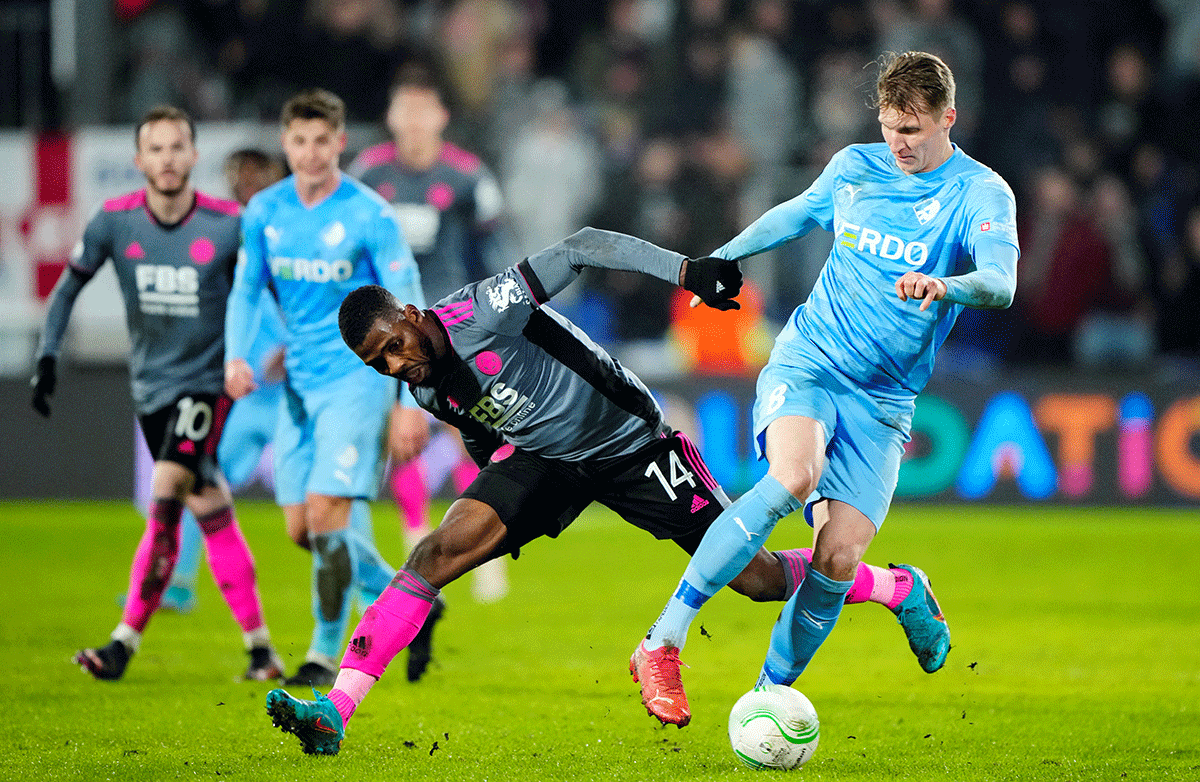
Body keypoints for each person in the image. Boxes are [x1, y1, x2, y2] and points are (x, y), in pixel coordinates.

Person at [260, 227, 953, 755]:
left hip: (633, 446)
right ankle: (336, 711)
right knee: (434, 554)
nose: (395, 363)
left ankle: (896, 587)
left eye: (394, 343)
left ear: (411, 315)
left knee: (762, 580)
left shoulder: (481, 311)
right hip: (545, 460)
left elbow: (585, 245)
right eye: (378, 361)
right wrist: (500, 495)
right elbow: (480, 433)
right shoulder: (426, 387)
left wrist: (688, 273)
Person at [631, 50, 1018, 728]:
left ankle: (767, 695)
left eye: (915, 130)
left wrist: (946, 285)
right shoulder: (855, 167)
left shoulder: (981, 194)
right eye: (891, 126)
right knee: (790, 477)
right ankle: (662, 641)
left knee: (836, 559)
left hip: (886, 400)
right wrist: (719, 260)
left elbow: (1002, 282)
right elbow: (797, 214)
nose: (899, 143)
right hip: (810, 361)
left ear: (948, 119)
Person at [30, 105, 285, 682]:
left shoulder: (226, 223)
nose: (168, 159)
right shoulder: (114, 221)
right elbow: (67, 288)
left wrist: (259, 354)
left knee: (167, 488)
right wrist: (47, 354)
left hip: (205, 386)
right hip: (151, 388)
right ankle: (261, 649)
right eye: (157, 149)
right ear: (140, 159)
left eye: (178, 148)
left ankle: (123, 643)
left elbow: (271, 287)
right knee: (209, 504)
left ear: (193, 157)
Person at [225, 88, 428, 688]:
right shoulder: (264, 212)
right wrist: (237, 355)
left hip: (356, 381)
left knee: (326, 516)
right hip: (298, 385)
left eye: (322, 141)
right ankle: (413, 598)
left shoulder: (370, 214)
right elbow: (245, 291)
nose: (311, 154)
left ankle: (321, 651)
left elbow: (404, 307)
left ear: (340, 143)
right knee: (302, 530)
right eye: (299, 142)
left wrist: (406, 400)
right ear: (285, 145)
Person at [348, 64, 509, 684]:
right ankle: (423, 541)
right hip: (386, 338)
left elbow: (492, 251)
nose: (413, 121)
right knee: (404, 436)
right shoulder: (370, 176)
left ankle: (484, 544)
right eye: (403, 109)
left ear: (441, 116)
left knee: (474, 432)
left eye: (424, 110)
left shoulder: (468, 178)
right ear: (392, 116)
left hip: (452, 328)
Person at [128, 147, 289, 614]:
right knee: (199, 484)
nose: (246, 183)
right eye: (238, 174)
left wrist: (297, 350)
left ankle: (367, 591)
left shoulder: (292, 234)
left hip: (293, 396)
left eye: (257, 174)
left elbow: (318, 303)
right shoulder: (221, 238)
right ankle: (177, 583)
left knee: (317, 507)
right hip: (242, 394)